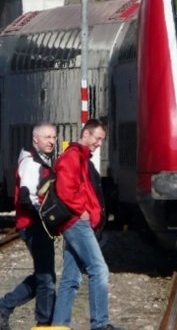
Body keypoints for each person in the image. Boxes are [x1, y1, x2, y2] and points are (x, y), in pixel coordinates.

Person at [51, 119, 124, 330]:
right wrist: (82, 211)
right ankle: (100, 323)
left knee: (71, 277)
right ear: (86, 134)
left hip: (78, 222)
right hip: (76, 223)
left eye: (102, 139)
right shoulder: (73, 157)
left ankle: (59, 325)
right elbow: (66, 191)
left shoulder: (82, 158)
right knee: (99, 269)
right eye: (98, 138)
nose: (99, 143)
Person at [0, 122, 58, 330]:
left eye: (54, 137)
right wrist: (45, 216)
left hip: (35, 224)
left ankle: (4, 306)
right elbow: (25, 197)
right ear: (35, 139)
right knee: (46, 277)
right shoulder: (32, 163)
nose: (51, 141)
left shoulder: (42, 160)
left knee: (45, 275)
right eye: (47, 137)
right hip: (32, 224)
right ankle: (43, 322)